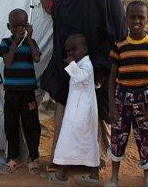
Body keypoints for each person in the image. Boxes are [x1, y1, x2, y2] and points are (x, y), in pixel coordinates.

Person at [32, 0, 127, 172]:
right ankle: (64, 160)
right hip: (70, 71)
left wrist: (103, 70)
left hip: (99, 76)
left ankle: (96, 161)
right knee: (69, 113)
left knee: (96, 115)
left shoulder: (110, 0)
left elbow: (118, 37)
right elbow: (51, 8)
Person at [106, 1, 148, 187]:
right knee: (117, 136)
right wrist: (113, 106)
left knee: (145, 137)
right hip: (122, 97)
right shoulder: (119, 46)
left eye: (141, 17)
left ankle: (146, 177)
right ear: (126, 20)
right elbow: (112, 78)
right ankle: (114, 178)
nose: (137, 20)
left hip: (145, 98)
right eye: (133, 17)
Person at [48, 34, 101, 185]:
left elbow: (80, 77)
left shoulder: (86, 65)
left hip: (83, 112)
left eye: (74, 49)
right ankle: (67, 173)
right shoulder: (81, 63)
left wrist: (71, 64)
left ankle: (73, 174)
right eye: (68, 51)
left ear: (85, 49)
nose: (71, 53)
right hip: (77, 110)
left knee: (76, 139)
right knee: (73, 139)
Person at [0, 8, 42, 174]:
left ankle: (32, 158)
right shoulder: (6, 43)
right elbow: (8, 62)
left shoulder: (32, 42)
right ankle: (13, 158)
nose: (18, 29)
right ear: (9, 26)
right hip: (11, 92)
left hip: (28, 92)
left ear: (27, 26)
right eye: (15, 26)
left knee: (31, 124)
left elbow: (37, 58)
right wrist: (15, 43)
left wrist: (29, 38)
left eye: (22, 26)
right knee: (11, 124)